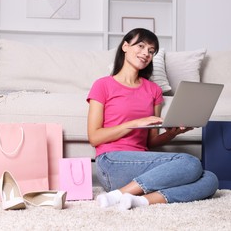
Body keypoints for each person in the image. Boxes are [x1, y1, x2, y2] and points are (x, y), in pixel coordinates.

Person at [86, 28, 218, 210]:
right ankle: (119, 193)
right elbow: (94, 137)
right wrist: (134, 123)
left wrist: (173, 133)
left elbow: (152, 141)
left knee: (210, 179)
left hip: (142, 164)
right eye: (141, 46)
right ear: (125, 46)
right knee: (191, 162)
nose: (145, 53)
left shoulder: (153, 90)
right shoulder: (103, 85)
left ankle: (139, 200)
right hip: (111, 161)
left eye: (150, 51)